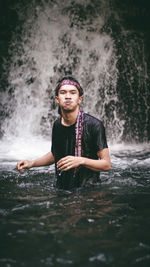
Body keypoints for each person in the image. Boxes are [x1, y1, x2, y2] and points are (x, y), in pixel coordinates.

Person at [16, 76, 111, 189]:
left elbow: (106, 164)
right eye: (63, 92)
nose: (68, 96)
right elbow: (55, 154)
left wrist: (81, 161)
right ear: (57, 99)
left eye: (72, 93)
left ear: (80, 99)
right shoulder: (57, 124)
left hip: (88, 190)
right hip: (62, 187)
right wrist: (31, 163)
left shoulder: (94, 125)